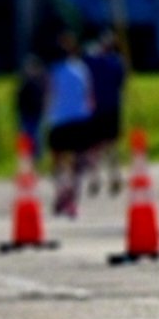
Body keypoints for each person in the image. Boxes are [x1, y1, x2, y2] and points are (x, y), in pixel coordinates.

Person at [45, 31, 95, 216]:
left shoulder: (54, 71)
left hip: (60, 119)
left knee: (58, 161)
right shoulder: (82, 69)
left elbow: (50, 94)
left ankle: (61, 191)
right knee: (78, 163)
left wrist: (47, 114)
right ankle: (73, 198)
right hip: (80, 118)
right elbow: (89, 95)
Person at [86, 30, 127, 196]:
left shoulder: (93, 62)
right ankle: (113, 176)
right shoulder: (116, 62)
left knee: (96, 146)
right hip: (111, 107)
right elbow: (121, 82)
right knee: (110, 145)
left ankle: (97, 178)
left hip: (98, 108)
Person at [16, 54, 47, 156]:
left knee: (37, 138)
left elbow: (43, 99)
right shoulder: (24, 82)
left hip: (36, 114)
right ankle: (27, 158)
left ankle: (37, 158)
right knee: (26, 139)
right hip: (25, 115)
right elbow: (19, 100)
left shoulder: (40, 82)